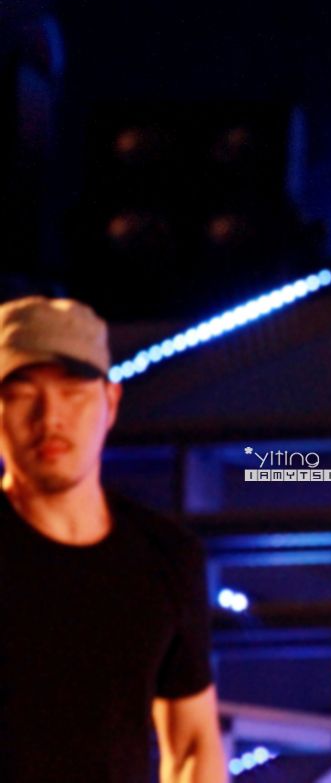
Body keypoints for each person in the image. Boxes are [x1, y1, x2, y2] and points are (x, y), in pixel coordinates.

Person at [0, 296, 226, 783]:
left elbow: (193, 744)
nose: (50, 416)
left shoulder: (166, 554)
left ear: (111, 401)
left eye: (73, 390)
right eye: (21, 392)